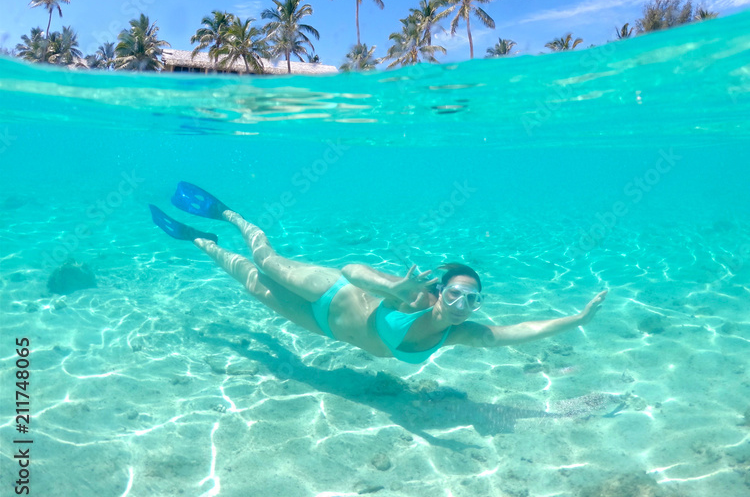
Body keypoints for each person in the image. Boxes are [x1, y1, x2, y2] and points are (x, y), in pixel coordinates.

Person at [149, 183, 607, 364]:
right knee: (266, 262)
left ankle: (195, 239)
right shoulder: (412, 297)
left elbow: (518, 331)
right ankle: (231, 216)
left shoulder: (457, 334)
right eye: (455, 295)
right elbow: (351, 269)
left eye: (472, 300)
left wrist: (579, 321)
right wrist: (394, 286)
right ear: (440, 291)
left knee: (252, 285)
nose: (462, 306)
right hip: (331, 290)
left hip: (322, 326)